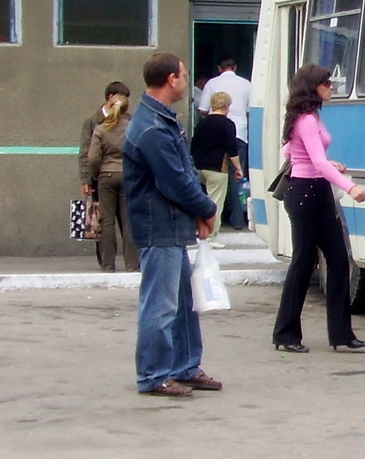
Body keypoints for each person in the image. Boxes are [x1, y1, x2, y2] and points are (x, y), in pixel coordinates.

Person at [123, 51, 222, 398]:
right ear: (172, 80)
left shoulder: (162, 120)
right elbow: (174, 180)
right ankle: (153, 375)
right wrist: (207, 208)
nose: (186, 78)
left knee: (182, 303)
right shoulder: (151, 128)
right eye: (183, 74)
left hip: (172, 226)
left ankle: (185, 367)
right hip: (159, 228)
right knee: (160, 306)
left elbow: (185, 172)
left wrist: (197, 211)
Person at [272, 64, 365, 354]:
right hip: (304, 193)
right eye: (326, 83)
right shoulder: (305, 119)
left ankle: (341, 333)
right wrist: (351, 187)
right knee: (303, 261)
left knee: (339, 259)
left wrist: (331, 165)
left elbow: (294, 153)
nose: (332, 86)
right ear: (312, 87)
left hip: (317, 190)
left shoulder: (310, 116)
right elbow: (314, 162)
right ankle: (286, 333)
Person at [79, 81, 132, 268]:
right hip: (124, 175)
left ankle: (108, 266)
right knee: (126, 221)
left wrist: (96, 174)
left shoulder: (102, 127)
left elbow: (91, 156)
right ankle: (130, 265)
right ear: (111, 97)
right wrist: (87, 178)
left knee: (107, 221)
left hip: (105, 176)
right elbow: (85, 151)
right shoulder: (94, 121)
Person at [197, 55, 251, 229]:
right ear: (235, 67)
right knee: (236, 178)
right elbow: (251, 110)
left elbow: (202, 109)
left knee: (213, 177)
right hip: (240, 133)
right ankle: (237, 219)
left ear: (219, 68)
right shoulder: (246, 84)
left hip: (214, 138)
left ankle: (209, 220)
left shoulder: (211, 84)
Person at [189, 91, 243, 250]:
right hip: (217, 168)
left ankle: (199, 232)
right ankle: (211, 236)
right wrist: (238, 168)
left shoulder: (202, 123)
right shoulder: (228, 124)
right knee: (215, 203)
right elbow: (232, 149)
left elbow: (193, 145)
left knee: (200, 201)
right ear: (226, 106)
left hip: (199, 167)